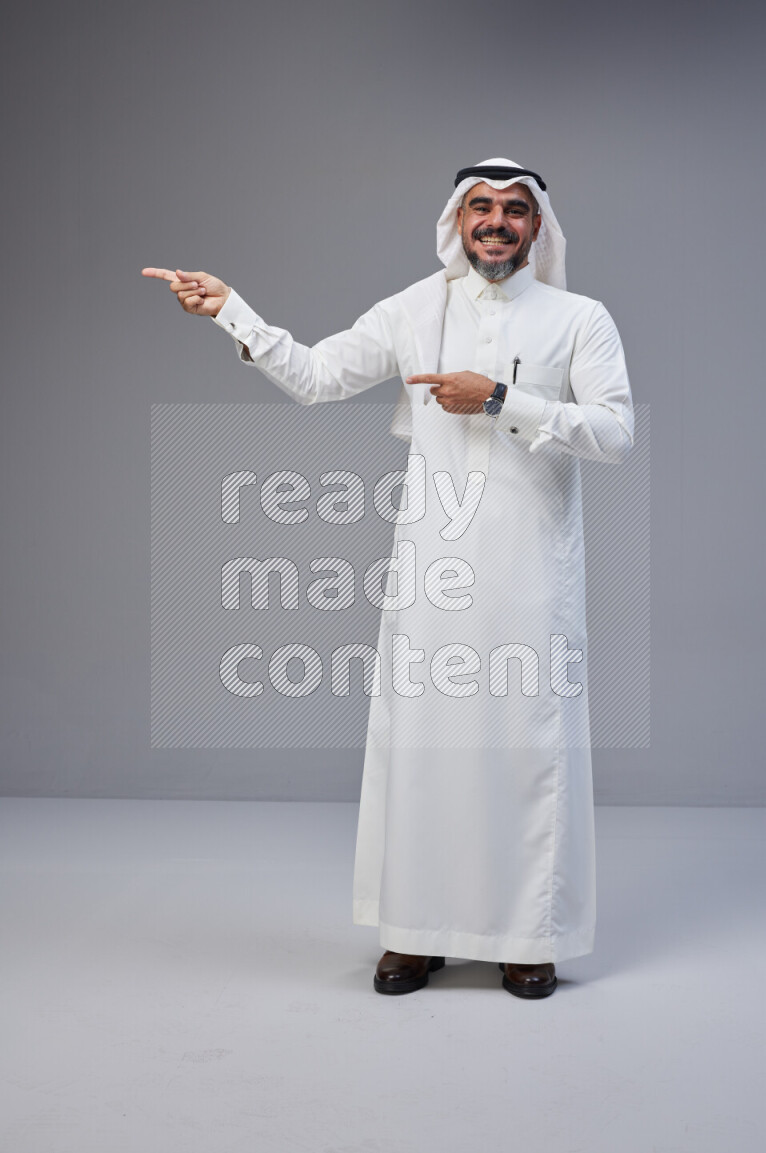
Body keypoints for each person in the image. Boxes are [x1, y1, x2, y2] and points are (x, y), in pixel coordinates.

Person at [143, 156, 634, 1000]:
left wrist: (500, 400)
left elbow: (616, 433)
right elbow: (318, 376)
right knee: (425, 751)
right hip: (432, 572)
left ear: (539, 227)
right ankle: (415, 933)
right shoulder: (416, 307)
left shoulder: (577, 318)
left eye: (515, 210)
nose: (496, 222)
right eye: (480, 207)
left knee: (525, 748)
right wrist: (235, 312)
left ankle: (528, 936)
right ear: (456, 221)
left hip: (530, 575)